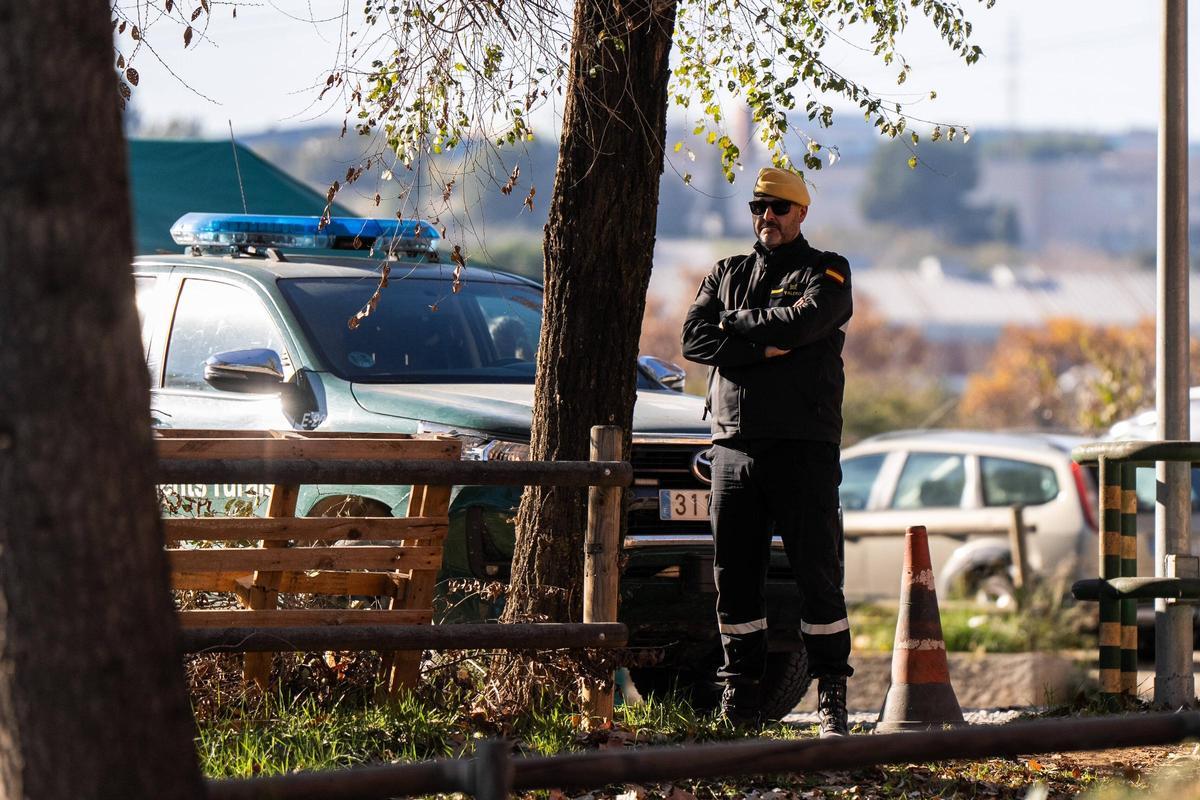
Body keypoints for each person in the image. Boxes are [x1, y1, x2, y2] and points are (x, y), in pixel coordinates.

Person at [680, 167, 853, 736]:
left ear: (800, 213)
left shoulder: (827, 270)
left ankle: (831, 697)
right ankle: (741, 699)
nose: (767, 217)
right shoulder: (726, 272)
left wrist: (737, 327)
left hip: (803, 447)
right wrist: (765, 345)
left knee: (817, 574)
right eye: (758, 207)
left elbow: (806, 323)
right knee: (735, 577)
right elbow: (694, 339)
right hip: (732, 448)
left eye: (778, 208)